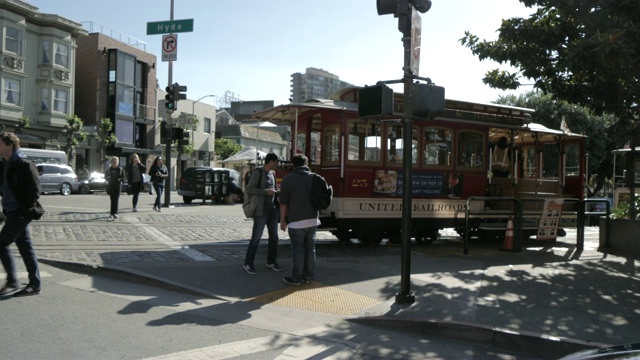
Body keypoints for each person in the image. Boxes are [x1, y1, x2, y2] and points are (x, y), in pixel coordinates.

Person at [0, 132, 43, 296]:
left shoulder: (24, 164)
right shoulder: (5, 164)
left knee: (1, 244)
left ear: (9, 145)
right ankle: (35, 284)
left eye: (0, 144)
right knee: (25, 248)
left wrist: (23, 212)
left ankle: (13, 282)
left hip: (20, 213)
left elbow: (35, 191)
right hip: (11, 211)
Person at [278, 153, 320, 286]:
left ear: (293, 164)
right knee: (310, 249)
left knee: (298, 249)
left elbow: (283, 202)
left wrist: (283, 220)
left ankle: (297, 278)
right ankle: (308, 276)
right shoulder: (315, 178)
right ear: (306, 164)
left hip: (296, 221)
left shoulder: (288, 179)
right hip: (313, 219)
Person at [242, 153, 280, 275]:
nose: (277, 164)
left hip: (272, 210)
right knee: (256, 238)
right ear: (271, 161)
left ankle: (271, 261)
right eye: (276, 162)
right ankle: (248, 263)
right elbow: (249, 189)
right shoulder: (258, 172)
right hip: (261, 210)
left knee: (274, 237)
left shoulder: (272, 173)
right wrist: (265, 192)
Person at [105, 156, 124, 220]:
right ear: (111, 162)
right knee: (112, 200)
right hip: (111, 186)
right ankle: (111, 213)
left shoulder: (120, 169)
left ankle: (115, 213)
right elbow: (106, 177)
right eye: (113, 161)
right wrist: (108, 180)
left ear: (118, 162)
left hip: (117, 186)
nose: (114, 162)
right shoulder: (109, 169)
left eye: (116, 161)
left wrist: (121, 180)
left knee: (116, 200)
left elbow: (123, 177)